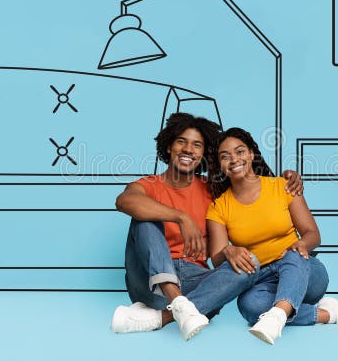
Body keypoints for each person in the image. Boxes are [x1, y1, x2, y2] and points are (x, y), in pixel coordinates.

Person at [111, 113, 303, 340]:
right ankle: (177, 302)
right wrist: (181, 217)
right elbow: (124, 201)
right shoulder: (148, 185)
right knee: (144, 218)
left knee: (249, 264)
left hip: (196, 284)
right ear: (169, 146)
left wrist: (287, 178)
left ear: (204, 154)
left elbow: (247, 185)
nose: (188, 150)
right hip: (149, 283)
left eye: (197, 145)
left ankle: (163, 317)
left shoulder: (212, 189)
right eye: (181, 141)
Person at [206, 127, 338, 345]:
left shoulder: (281, 187)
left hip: (304, 271)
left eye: (240, 152)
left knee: (293, 252)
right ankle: (331, 314)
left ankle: (277, 316)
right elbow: (217, 258)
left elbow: (312, 234)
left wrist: (301, 245)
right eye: (225, 156)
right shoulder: (219, 207)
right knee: (249, 306)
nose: (234, 159)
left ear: (251, 154)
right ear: (219, 164)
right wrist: (228, 250)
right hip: (262, 279)